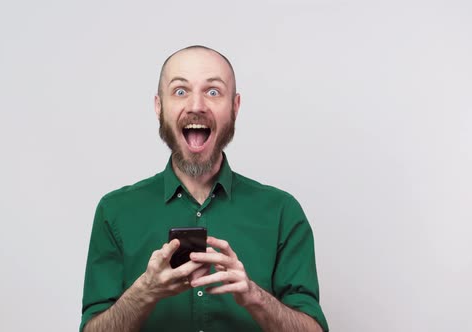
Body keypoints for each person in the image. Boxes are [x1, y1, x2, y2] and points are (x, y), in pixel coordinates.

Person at [80, 45, 329, 332]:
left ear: (235, 107)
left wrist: (253, 296)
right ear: (159, 106)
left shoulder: (282, 211)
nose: (196, 105)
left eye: (213, 92)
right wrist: (143, 293)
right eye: (180, 91)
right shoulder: (115, 211)